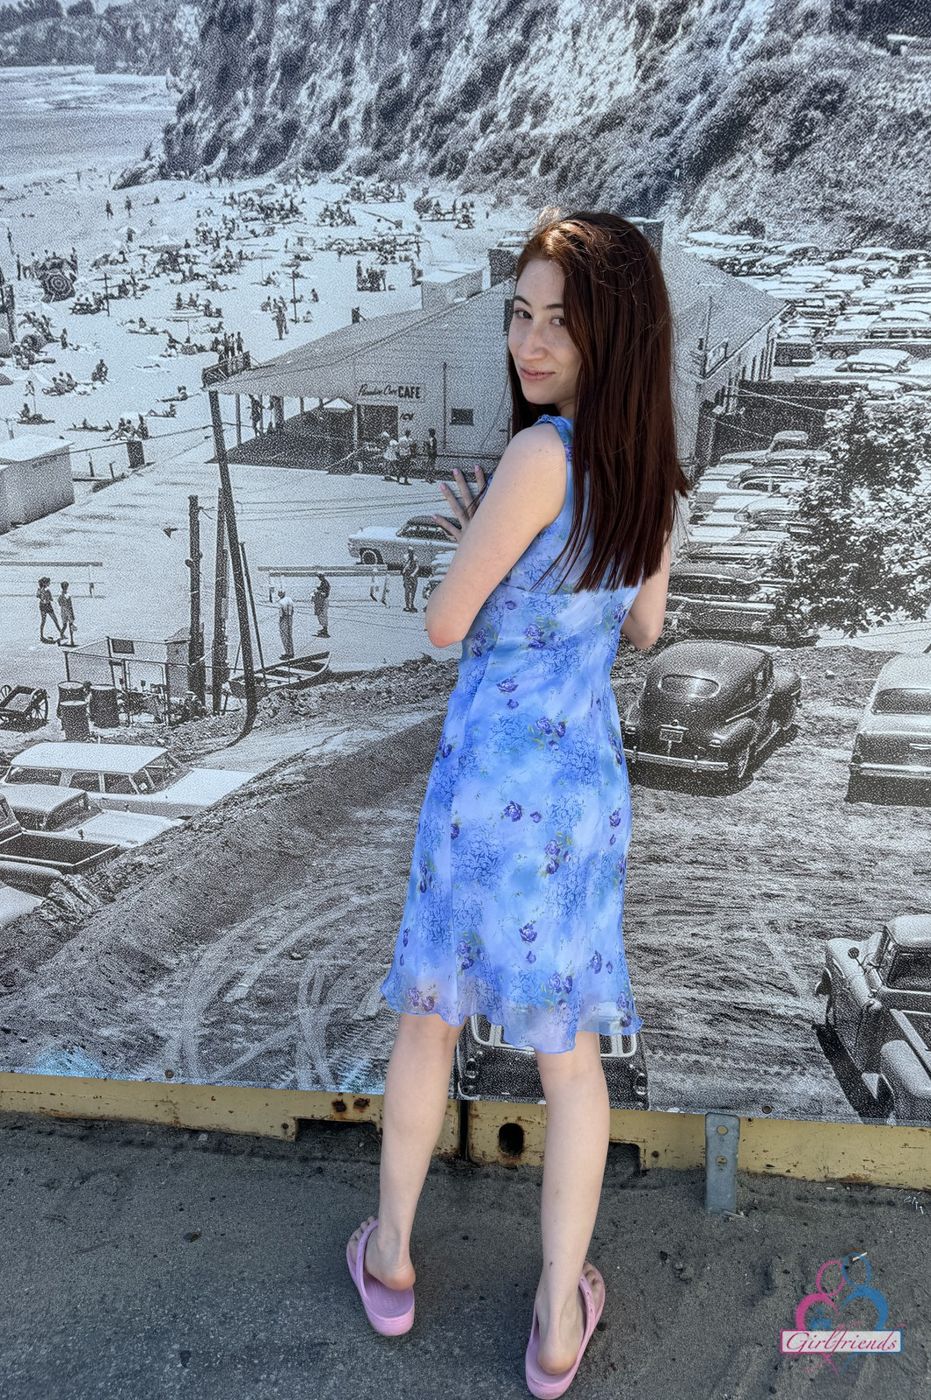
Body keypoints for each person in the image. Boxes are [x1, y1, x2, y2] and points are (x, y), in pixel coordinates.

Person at [346, 210, 686, 1395]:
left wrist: (476, 544)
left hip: (490, 786)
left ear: (610, 336)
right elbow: (644, 626)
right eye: (520, 314)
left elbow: (448, 621)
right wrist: (529, 567)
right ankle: (553, 1320)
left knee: (429, 1018)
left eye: (558, 323)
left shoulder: (538, 457)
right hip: (581, 793)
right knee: (570, 1059)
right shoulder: (650, 469)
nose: (529, 343)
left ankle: (390, 1257)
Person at [36, 576, 62, 643]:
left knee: (43, 621)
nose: (49, 583)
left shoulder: (39, 589)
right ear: (45, 583)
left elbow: (37, 596)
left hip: (42, 606)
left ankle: (41, 635)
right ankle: (62, 634)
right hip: (48, 606)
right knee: (55, 620)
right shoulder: (47, 590)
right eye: (48, 582)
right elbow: (51, 598)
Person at [277, 589, 295, 658]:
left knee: (284, 636)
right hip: (290, 618)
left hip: (284, 618)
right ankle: (291, 651)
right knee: (289, 635)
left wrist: (280, 622)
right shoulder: (289, 599)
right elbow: (293, 610)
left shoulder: (281, 602)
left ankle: (288, 653)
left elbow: (281, 614)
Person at [57, 581, 76, 646]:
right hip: (68, 611)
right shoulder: (68, 595)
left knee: (64, 625)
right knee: (70, 625)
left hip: (63, 610)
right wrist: (72, 614)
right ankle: (72, 640)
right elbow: (70, 605)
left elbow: (59, 603)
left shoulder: (60, 595)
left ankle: (60, 638)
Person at [312, 572, 330, 637]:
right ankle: (324, 628)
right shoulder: (323, 582)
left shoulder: (325, 583)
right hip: (322, 600)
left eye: (320, 577)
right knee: (321, 615)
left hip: (323, 601)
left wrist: (318, 592)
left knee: (322, 615)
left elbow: (324, 593)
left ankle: (325, 629)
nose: (319, 578)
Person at [401, 547, 419, 612]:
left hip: (413, 577)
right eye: (409, 551)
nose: (410, 553)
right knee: (407, 591)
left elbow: (417, 567)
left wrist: (413, 574)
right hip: (407, 576)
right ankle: (407, 605)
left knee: (413, 591)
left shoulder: (415, 558)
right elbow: (404, 566)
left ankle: (412, 604)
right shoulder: (405, 557)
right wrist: (404, 571)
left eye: (412, 551)